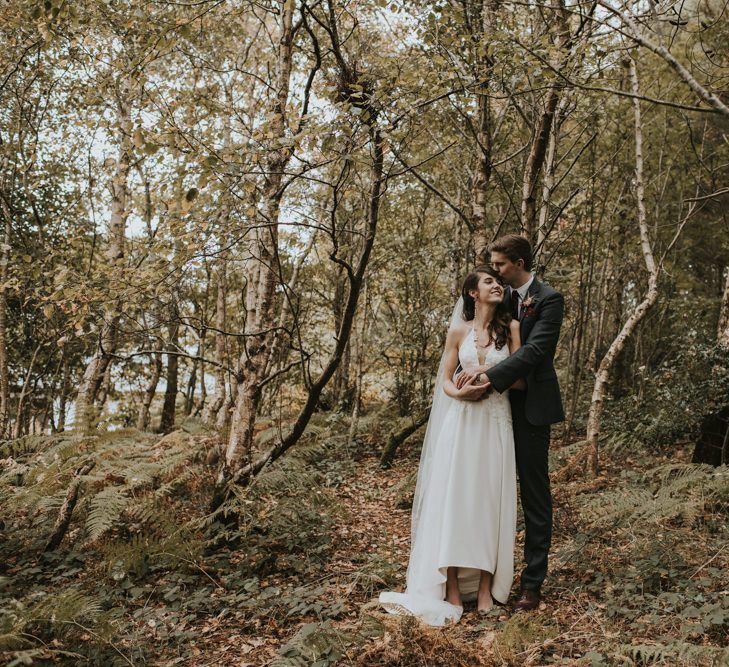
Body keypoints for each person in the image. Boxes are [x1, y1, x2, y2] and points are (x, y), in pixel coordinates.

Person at [379, 266, 525, 626]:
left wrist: (488, 381)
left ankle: (488, 586)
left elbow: (521, 383)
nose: (497, 286)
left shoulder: (512, 329)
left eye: (499, 282)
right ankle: (454, 587)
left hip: (494, 422)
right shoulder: (458, 330)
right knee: (455, 501)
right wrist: (460, 391)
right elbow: (444, 380)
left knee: (489, 501)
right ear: (472, 293)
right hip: (461, 423)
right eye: (489, 282)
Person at [457, 234, 564, 612]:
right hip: (491, 412)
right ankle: (477, 574)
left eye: (500, 265)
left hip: (530, 407)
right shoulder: (497, 299)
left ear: (518, 261)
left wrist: (488, 376)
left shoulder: (549, 300)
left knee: (535, 496)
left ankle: (531, 585)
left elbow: (536, 352)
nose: (496, 272)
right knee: (484, 491)